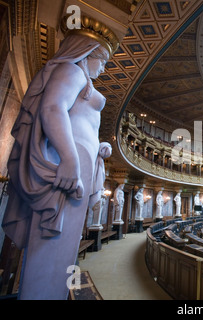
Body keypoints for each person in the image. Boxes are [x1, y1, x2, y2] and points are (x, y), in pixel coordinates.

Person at [0, 19, 118, 299]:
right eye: (101, 59)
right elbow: (53, 109)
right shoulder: (71, 71)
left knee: (62, 252)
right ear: (85, 51)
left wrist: (98, 145)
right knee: (52, 253)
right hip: (68, 167)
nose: (103, 67)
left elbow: (77, 119)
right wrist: (69, 159)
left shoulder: (79, 78)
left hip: (77, 162)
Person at [89, 142, 112, 229]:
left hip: (99, 189)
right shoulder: (97, 162)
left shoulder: (101, 163)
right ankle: (95, 224)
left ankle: (96, 223)